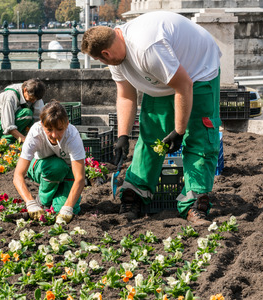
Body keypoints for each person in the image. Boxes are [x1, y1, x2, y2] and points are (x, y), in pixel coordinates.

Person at [81, 11, 222, 226]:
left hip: (198, 71)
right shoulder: (116, 57)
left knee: (199, 138)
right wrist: (123, 136)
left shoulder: (147, 48)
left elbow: (184, 85)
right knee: (151, 135)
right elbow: (126, 95)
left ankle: (195, 203)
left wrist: (179, 131)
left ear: (106, 52)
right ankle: (136, 194)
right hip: (165, 79)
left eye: (100, 59)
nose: (102, 62)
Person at [13, 100, 86, 224]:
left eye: (59, 129)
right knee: (57, 167)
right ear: (42, 124)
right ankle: (42, 201)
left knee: (64, 211)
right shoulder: (36, 133)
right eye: (49, 129)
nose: (54, 135)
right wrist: (30, 203)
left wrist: (68, 207)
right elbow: (18, 175)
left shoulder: (72, 136)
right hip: (41, 168)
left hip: (67, 171)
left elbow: (80, 178)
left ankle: (56, 199)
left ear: (67, 124)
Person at [0, 78, 46, 143]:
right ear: (25, 90)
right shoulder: (10, 97)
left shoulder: (35, 95)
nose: (33, 101)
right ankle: (7, 140)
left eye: (35, 100)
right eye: (31, 99)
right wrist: (26, 141)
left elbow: (39, 120)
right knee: (27, 113)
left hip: (16, 119)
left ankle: (18, 137)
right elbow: (8, 126)